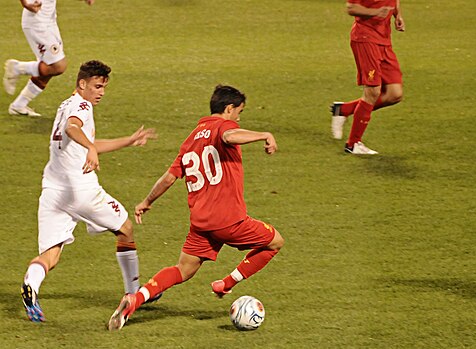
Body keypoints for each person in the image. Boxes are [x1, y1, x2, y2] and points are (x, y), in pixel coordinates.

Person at [107, 85, 285, 331]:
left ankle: (135, 299)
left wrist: (146, 202)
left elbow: (169, 178)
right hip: (230, 220)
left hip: (201, 224)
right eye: (239, 112)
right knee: (275, 241)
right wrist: (264, 134)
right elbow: (229, 137)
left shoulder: (191, 139)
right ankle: (226, 283)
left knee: (183, 269)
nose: (239, 118)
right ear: (228, 109)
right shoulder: (224, 127)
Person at [21, 60, 157, 322]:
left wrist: (127, 141)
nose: (101, 92)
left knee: (51, 254)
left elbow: (85, 141)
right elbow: (73, 129)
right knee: (126, 228)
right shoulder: (81, 106)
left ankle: (31, 286)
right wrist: (91, 149)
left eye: (104, 87)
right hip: (80, 190)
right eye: (96, 86)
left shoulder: (65, 104)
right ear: (82, 84)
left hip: (52, 191)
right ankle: (133, 292)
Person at [330, 0, 405, 155]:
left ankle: (343, 109)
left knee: (394, 94)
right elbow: (351, 8)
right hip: (366, 39)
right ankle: (353, 144)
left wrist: (397, 15)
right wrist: (376, 12)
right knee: (372, 92)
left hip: (384, 40)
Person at [3, 0, 95, 116]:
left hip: (49, 22)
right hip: (37, 23)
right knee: (58, 66)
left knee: (48, 69)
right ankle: (18, 68)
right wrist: (25, 3)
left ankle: (18, 105)